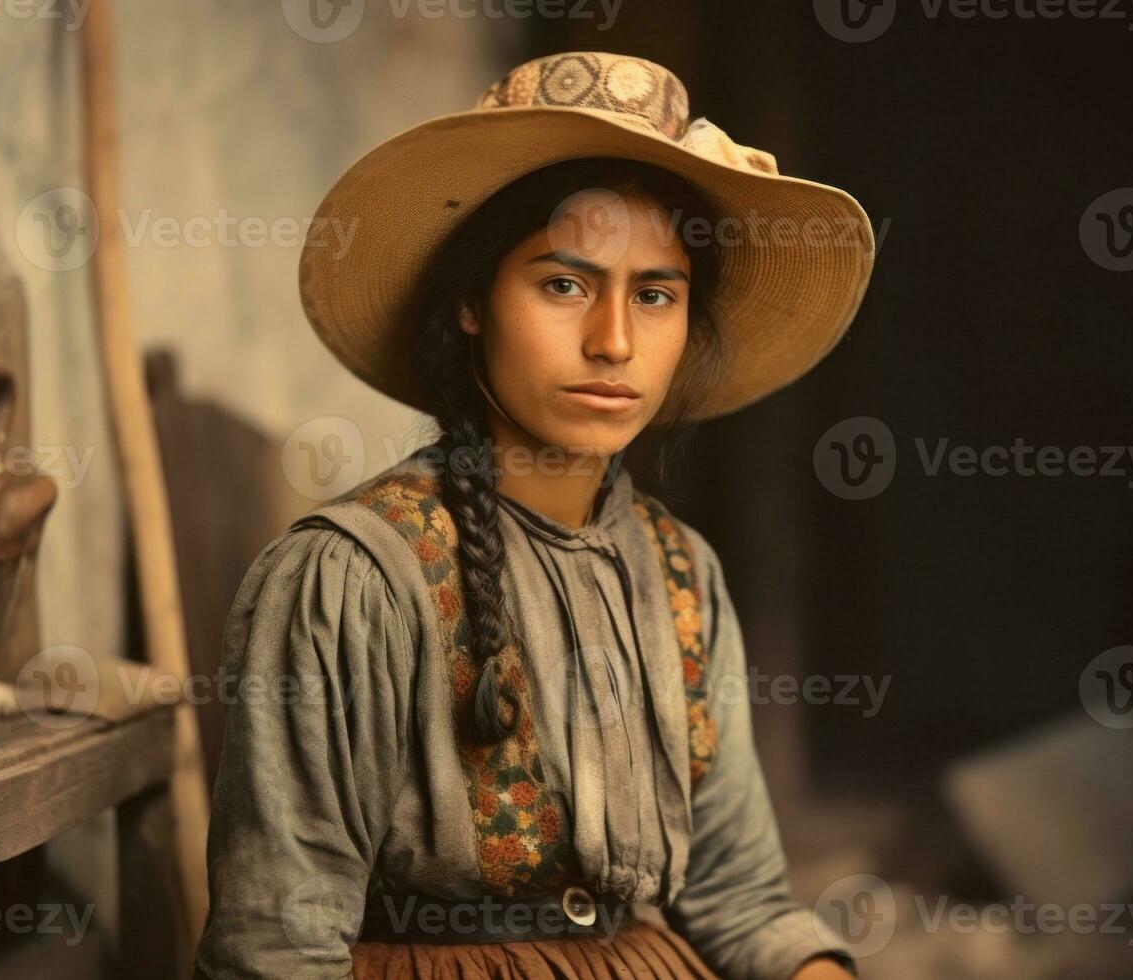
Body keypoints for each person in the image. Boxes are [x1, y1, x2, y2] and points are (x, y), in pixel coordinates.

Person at [194, 51, 875, 980]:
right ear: (472, 303)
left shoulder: (681, 576)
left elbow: (737, 896)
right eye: (562, 284)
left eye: (655, 294)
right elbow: (276, 944)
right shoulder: (350, 579)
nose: (613, 340)